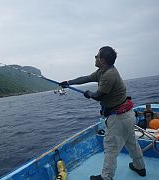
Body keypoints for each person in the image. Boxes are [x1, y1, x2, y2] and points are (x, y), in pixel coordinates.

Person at [59, 46, 146, 180]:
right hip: (127, 115)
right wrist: (69, 82)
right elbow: (86, 78)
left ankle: (106, 177)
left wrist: (88, 94)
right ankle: (140, 167)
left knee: (110, 148)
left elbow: (98, 95)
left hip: (118, 117)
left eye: (97, 56)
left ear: (103, 60)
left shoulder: (108, 75)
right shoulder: (102, 71)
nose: (95, 57)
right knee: (132, 143)